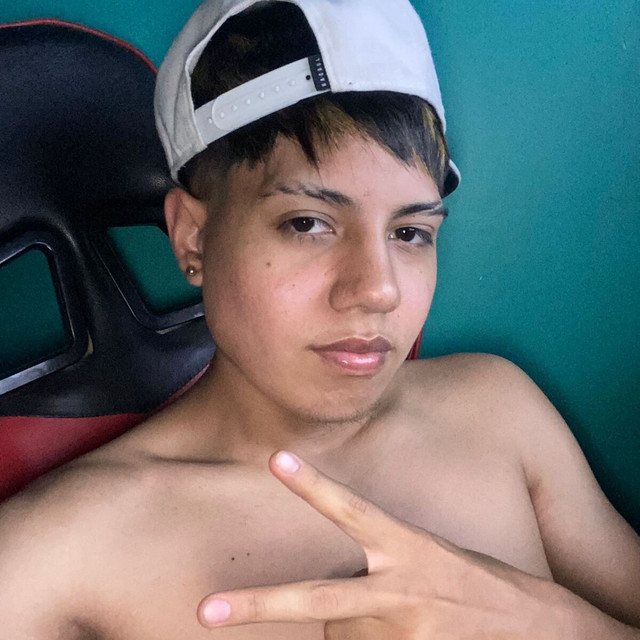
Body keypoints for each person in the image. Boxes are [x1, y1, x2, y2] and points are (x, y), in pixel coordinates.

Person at [1, 0, 639, 638]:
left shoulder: (499, 411)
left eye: (411, 232)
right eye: (307, 223)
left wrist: (550, 624)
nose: (378, 290)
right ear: (193, 238)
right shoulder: (60, 557)